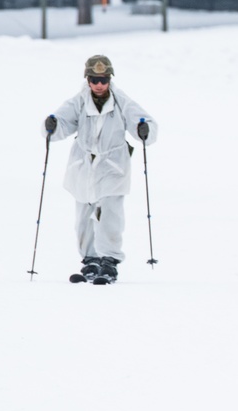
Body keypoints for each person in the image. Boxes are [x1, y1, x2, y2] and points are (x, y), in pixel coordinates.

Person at [42, 55, 158, 283]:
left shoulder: (121, 100)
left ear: (110, 79)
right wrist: (52, 126)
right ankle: (90, 259)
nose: (98, 84)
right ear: (87, 79)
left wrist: (143, 129)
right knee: (84, 216)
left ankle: (110, 260)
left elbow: (145, 122)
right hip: (83, 165)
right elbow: (61, 122)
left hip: (112, 166)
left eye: (103, 79)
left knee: (109, 215)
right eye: (94, 79)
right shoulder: (78, 101)